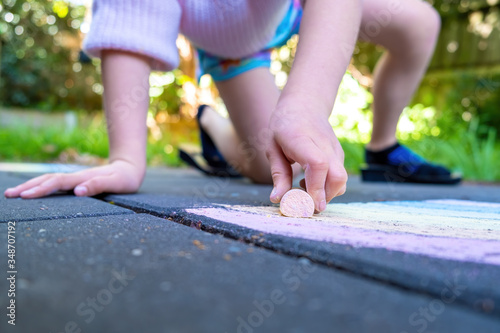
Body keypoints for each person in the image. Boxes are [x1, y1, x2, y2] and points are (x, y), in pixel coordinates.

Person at [4, 0, 458, 213]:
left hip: (300, 6)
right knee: (271, 165)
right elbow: (130, 25)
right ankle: (215, 126)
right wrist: (126, 157)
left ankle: (383, 146)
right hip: (234, 47)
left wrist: (305, 104)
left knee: (422, 25)